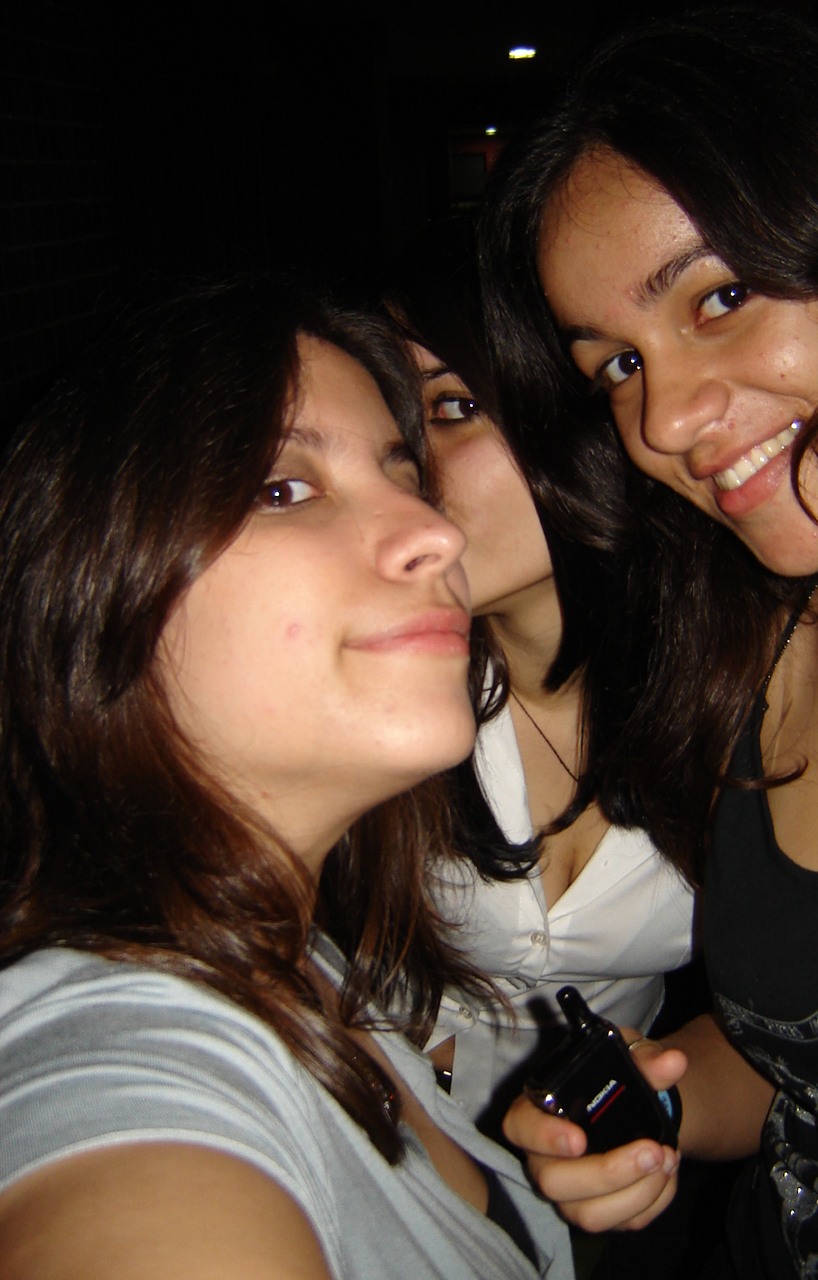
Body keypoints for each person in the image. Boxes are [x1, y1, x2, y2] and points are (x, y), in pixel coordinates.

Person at [478, 10, 818, 1279]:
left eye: (722, 297)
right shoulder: (752, 643)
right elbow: (814, 1048)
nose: (670, 419)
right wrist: (663, 1104)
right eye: (617, 363)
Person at [0, 277, 574, 1280]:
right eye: (284, 489)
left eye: (406, 475)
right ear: (97, 592)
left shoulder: (292, 948)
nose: (435, 532)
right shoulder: (127, 1062)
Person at [382, 231, 694, 1133]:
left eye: (450, 407)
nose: (404, 477)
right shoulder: (372, 679)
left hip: (599, 1156)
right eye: (389, 435)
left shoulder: (744, 687)